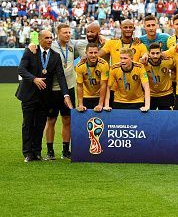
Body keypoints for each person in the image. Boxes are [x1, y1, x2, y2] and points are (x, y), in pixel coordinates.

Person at [16, 30, 72, 162]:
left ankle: (37, 151)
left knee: (40, 124)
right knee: (28, 124)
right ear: (40, 39)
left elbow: (61, 77)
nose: (49, 40)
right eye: (46, 38)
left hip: (45, 97)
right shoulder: (31, 51)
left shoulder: (55, 56)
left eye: (51, 38)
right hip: (29, 94)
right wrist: (34, 79)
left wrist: (66, 95)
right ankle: (28, 153)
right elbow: (21, 69)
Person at [45, 23, 80, 160]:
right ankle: (50, 151)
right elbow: (36, 49)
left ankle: (66, 151)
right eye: (65, 33)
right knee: (51, 120)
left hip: (69, 88)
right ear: (57, 34)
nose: (68, 35)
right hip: (53, 89)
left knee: (67, 119)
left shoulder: (73, 46)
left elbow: (89, 42)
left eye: (69, 32)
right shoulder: (51, 46)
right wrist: (31, 46)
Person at [75, 43, 109, 112]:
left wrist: (100, 104)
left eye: (95, 52)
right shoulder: (80, 66)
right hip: (86, 96)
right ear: (86, 53)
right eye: (90, 53)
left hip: (99, 96)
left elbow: (104, 85)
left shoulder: (104, 64)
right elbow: (79, 86)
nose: (93, 55)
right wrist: (80, 104)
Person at [145, 43, 175, 110]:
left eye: (157, 53)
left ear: (161, 53)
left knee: (167, 118)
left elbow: (175, 68)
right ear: (148, 54)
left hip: (166, 95)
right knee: (149, 118)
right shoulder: (144, 64)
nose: (155, 56)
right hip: (151, 95)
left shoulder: (168, 62)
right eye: (152, 53)